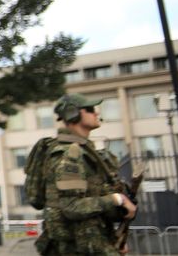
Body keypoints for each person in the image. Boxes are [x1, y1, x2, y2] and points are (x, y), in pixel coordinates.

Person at [36, 93, 136, 255]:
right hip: (78, 247)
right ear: (72, 114)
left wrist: (112, 240)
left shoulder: (83, 151)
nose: (96, 112)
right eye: (89, 109)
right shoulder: (70, 154)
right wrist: (118, 199)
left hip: (91, 242)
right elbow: (72, 207)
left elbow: (92, 198)